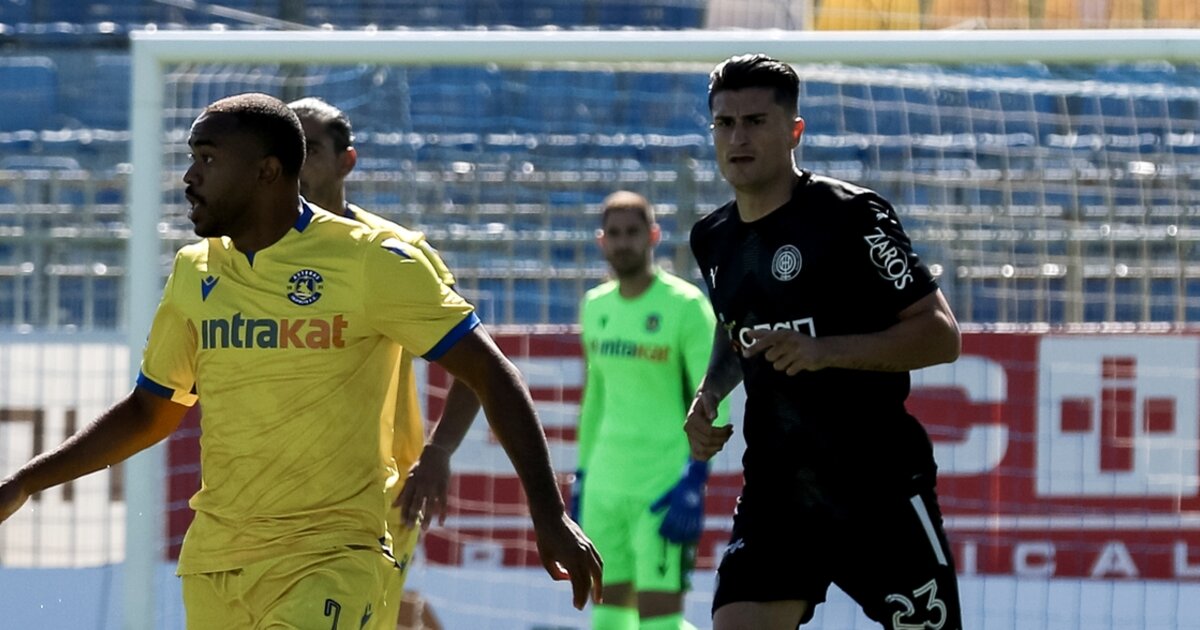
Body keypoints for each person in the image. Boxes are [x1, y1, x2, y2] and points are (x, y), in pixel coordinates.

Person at [0, 93, 602, 628]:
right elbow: (150, 411)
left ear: (266, 172)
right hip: (216, 563)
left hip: (331, 556)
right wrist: (26, 482)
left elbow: (490, 372)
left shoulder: (373, 259)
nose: (188, 177)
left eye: (207, 159)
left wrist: (547, 513)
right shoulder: (194, 271)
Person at [685, 54, 964, 630]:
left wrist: (823, 351)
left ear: (794, 131)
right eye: (724, 123)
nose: (737, 138)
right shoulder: (712, 238)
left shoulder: (852, 217)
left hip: (876, 489)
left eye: (755, 122)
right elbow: (737, 328)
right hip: (778, 493)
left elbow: (940, 334)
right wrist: (709, 392)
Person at [288, 96, 480, 629]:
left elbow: (481, 368)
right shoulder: (242, 257)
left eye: (310, 149)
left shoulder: (392, 252)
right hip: (273, 499)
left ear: (347, 161)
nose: (296, 163)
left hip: (377, 497)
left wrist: (440, 450)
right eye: (287, 148)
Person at [574, 190, 727, 630]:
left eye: (633, 232)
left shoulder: (686, 307)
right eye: (614, 233)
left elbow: (715, 393)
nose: (623, 242)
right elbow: (595, 398)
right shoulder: (596, 306)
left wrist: (695, 477)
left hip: (662, 487)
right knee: (608, 620)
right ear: (602, 240)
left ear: (653, 236)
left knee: (659, 621)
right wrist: (582, 477)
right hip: (605, 488)